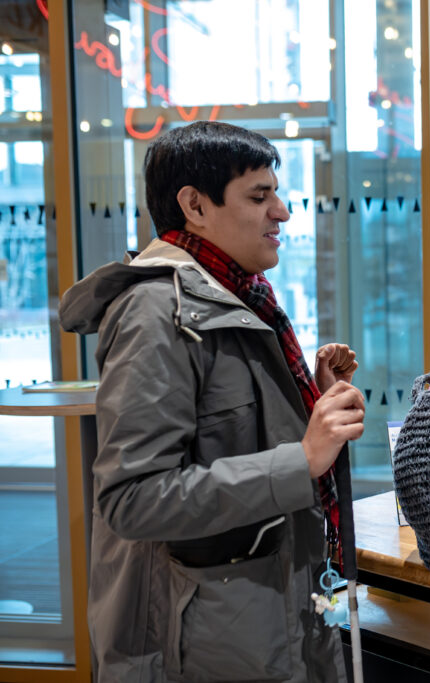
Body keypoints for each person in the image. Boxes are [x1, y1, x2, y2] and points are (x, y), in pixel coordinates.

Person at [59, 121, 364, 682]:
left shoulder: (234, 298)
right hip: (196, 648)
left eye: (276, 194)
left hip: (255, 628)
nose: (282, 213)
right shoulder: (156, 314)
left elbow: (230, 442)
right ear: (195, 206)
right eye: (259, 196)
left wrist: (311, 406)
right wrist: (302, 458)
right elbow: (133, 499)